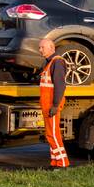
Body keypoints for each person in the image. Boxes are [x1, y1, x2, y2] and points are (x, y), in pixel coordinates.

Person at [38, 38, 69, 169]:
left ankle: (62, 163)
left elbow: (60, 86)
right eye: (39, 47)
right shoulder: (49, 63)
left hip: (51, 105)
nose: (40, 50)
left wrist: (55, 105)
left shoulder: (57, 62)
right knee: (50, 134)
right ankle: (55, 162)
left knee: (54, 135)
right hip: (47, 105)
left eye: (42, 47)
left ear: (52, 48)